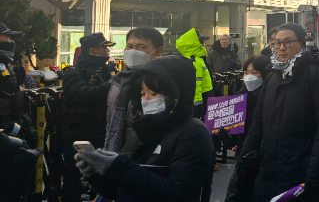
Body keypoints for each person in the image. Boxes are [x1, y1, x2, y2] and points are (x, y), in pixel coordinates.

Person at [74, 55, 215, 202]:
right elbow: (120, 191)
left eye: (154, 94)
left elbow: (179, 194)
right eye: (142, 94)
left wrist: (121, 169)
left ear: (177, 95)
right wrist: (97, 174)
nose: (146, 100)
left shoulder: (194, 134)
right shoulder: (144, 128)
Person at [234, 23, 319, 201]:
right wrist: (245, 159)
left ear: (301, 43)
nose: (281, 48)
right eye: (277, 43)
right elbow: (258, 122)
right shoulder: (272, 76)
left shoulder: (318, 76)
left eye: (287, 42)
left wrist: (314, 174)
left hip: (300, 172)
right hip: (267, 169)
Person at [62, 32, 115, 202]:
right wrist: (108, 87)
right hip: (80, 134)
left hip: (102, 132)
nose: (108, 52)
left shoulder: (107, 70)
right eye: (104, 48)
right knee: (74, 176)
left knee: (102, 178)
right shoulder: (74, 73)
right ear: (93, 51)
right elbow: (80, 94)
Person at [104, 27, 163, 153]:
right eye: (129, 46)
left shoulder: (159, 84)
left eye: (141, 47)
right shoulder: (117, 81)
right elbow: (111, 123)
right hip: (115, 154)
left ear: (158, 51)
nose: (133, 51)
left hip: (143, 154)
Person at [225, 55, 271, 202]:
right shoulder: (238, 99)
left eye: (255, 72)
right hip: (243, 154)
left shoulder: (270, 99)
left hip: (263, 157)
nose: (249, 77)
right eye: (246, 73)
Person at [176, 28, 213, 119]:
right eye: (201, 41)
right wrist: (200, 106)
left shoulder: (192, 59)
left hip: (198, 101)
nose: (203, 43)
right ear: (194, 43)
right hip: (199, 103)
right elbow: (197, 85)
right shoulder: (195, 61)